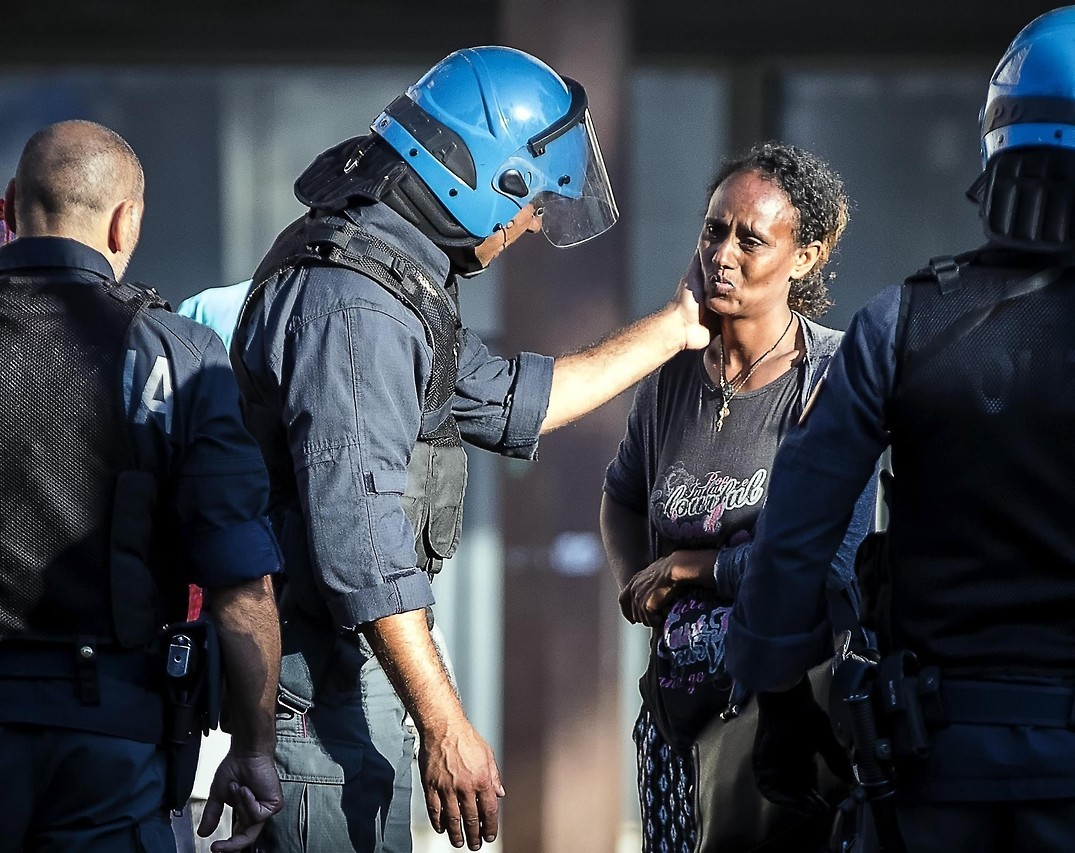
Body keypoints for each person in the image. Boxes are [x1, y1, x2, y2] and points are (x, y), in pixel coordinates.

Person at [724, 7, 1075, 853]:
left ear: (999, 142)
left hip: (927, 777)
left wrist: (782, 702)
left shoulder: (899, 323)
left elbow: (794, 532)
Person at [232, 47, 708, 853]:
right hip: (318, 688)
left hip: (338, 676)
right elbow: (364, 548)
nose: (526, 228)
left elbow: (519, 400)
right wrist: (446, 725)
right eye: (529, 208)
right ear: (490, 180)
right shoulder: (360, 308)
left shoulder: (390, 273)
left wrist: (676, 326)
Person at [0, 120, 284, 852]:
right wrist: (253, 750)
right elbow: (240, 585)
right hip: (111, 743)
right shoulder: (179, 354)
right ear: (125, 222)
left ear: (8, 206)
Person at [601, 142, 876, 852]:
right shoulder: (670, 377)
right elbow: (622, 496)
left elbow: (827, 567)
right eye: (713, 230)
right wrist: (636, 581)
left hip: (782, 729)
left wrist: (692, 568)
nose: (724, 253)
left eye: (751, 238)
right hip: (673, 720)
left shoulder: (832, 376)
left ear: (806, 256)